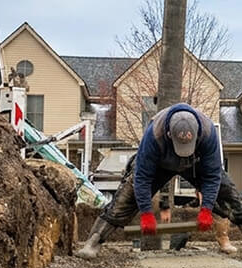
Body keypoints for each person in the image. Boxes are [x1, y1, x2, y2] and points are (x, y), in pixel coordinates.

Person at [77, 103, 222, 258]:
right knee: (125, 198)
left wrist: (206, 209)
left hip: (195, 162)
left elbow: (213, 175)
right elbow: (142, 177)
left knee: (226, 192)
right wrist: (146, 212)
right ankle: (93, 242)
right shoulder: (154, 134)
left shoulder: (208, 132)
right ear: (168, 134)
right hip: (159, 164)